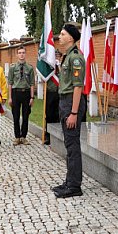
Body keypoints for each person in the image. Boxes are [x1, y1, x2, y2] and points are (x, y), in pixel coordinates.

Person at [52, 23, 87, 199]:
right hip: (64, 102)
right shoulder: (67, 56)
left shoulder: (75, 58)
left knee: (73, 145)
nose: (60, 36)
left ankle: (74, 186)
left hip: (72, 103)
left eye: (63, 34)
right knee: (69, 144)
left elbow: (77, 87)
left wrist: (73, 113)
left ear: (71, 38)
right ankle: (69, 180)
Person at [8, 46, 35, 145]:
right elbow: (10, 83)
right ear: (17, 54)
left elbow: (32, 83)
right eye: (19, 53)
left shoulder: (30, 68)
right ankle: (17, 137)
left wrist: (32, 97)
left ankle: (23, 136)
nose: (21, 54)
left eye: (23, 52)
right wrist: (10, 97)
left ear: (25, 54)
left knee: (25, 116)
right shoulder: (12, 68)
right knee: (15, 116)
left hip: (26, 93)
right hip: (16, 93)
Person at [42, 44, 61, 145]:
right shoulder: (49, 67)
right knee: (49, 115)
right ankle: (48, 136)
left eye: (58, 56)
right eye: (55, 56)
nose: (57, 57)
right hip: (50, 92)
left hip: (60, 94)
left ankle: (58, 136)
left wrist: (59, 67)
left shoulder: (63, 66)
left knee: (59, 115)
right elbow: (43, 78)